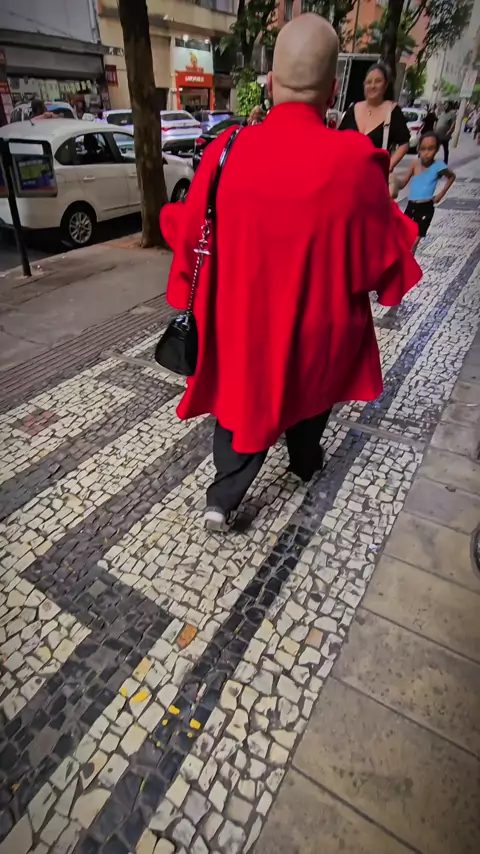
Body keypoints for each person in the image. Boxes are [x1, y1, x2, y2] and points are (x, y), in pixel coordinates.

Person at [160, 13, 422, 532]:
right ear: (332, 93)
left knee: (239, 405)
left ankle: (223, 498)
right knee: (311, 394)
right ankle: (304, 461)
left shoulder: (224, 151)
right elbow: (384, 250)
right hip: (318, 329)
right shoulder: (357, 160)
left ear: (271, 83)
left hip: (243, 327)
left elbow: (191, 236)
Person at [339, 63, 410, 178]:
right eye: (368, 82)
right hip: (347, 174)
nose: (372, 86)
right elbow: (339, 138)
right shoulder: (353, 109)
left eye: (378, 81)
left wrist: (390, 165)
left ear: (385, 85)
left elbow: (404, 143)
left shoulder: (392, 111)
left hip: (374, 178)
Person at [398, 132, 456, 254]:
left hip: (426, 208)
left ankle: (409, 263)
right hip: (411, 207)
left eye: (431, 149)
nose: (426, 153)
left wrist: (440, 194)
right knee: (403, 239)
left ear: (437, 149)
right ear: (419, 148)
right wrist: (392, 182)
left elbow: (451, 177)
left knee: (414, 242)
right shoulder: (415, 163)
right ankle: (405, 263)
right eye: (423, 149)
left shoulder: (439, 166)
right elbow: (403, 183)